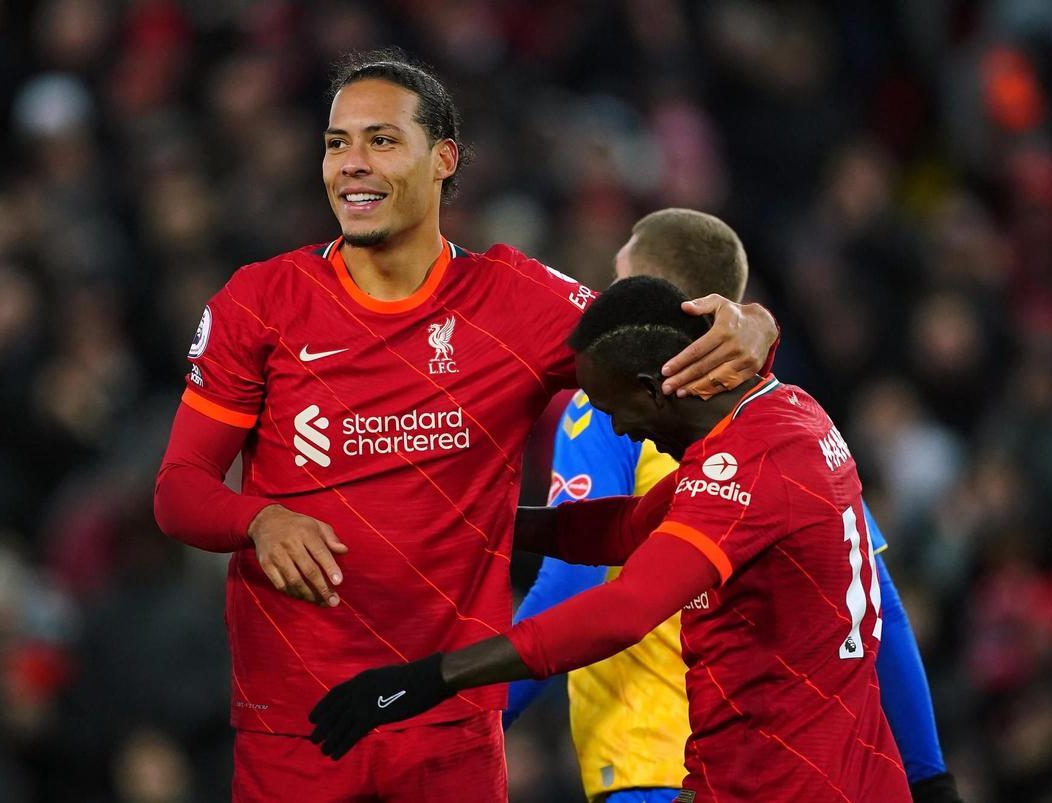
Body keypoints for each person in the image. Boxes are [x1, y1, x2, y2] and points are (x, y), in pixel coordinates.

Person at [152, 50, 777, 802]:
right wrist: (259, 519)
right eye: (336, 143)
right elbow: (179, 490)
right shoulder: (260, 302)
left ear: (443, 158)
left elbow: (668, 335)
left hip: (448, 727)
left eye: (381, 140)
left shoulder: (517, 301)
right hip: (296, 718)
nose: (352, 164)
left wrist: (754, 322)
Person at [307, 275, 913, 803]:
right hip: (806, 774)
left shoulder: (748, 468)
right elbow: (624, 529)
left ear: (653, 387)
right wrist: (461, 519)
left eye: (612, 407)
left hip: (786, 787)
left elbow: (624, 610)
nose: (619, 428)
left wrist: (433, 677)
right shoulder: (783, 415)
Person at [507, 209, 962, 803]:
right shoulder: (784, 417)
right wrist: (930, 776)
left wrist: (466, 717)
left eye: (619, 282)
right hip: (774, 763)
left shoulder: (601, 412)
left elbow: (571, 583)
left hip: (652, 762)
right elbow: (877, 603)